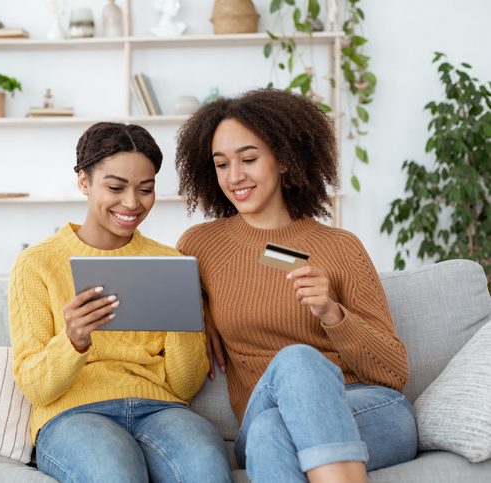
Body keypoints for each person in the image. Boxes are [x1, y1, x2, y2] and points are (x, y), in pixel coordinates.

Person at [174, 89, 418, 482]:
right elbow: (169, 298)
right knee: (272, 417)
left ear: (285, 160)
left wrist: (333, 314)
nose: (234, 176)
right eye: (222, 164)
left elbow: (393, 371)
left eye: (249, 159)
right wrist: (199, 303)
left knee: (293, 373)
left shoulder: (340, 247)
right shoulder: (199, 246)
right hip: (260, 412)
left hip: (368, 411)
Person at [9, 122, 231, 483]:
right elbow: (36, 387)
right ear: (84, 181)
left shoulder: (171, 263)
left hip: (162, 409)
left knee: (206, 467)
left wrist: (183, 316)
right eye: (115, 187)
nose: (132, 203)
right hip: (75, 414)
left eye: (145, 189)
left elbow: (185, 385)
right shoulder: (38, 264)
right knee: (114, 474)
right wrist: (73, 340)